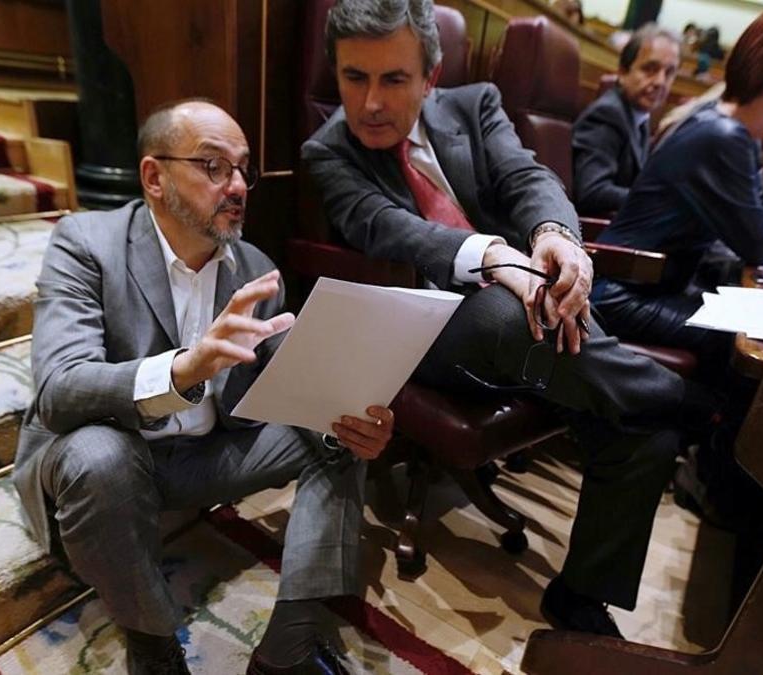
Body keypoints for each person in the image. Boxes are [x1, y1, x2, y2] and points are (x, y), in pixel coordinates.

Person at [302, 0, 713, 639]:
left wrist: (556, 238)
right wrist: (495, 255)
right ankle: (688, 402)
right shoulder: (328, 152)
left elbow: (530, 178)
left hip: (525, 310)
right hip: (423, 321)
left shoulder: (475, 105)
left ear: (430, 77)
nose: (371, 102)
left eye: (394, 79)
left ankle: (579, 599)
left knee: (639, 424)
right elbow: (387, 229)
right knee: (516, 309)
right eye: (355, 78)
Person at [13, 99, 395, 675]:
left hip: (206, 455)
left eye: (244, 170)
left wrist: (353, 416)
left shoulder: (255, 266)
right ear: (154, 177)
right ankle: (154, 644)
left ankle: (288, 644)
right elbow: (59, 391)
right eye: (214, 167)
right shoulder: (86, 242)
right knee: (99, 457)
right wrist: (182, 370)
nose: (237, 186)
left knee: (337, 430)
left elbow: (300, 385)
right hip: (120, 457)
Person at [590, 3, 763, 363]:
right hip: (619, 296)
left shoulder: (726, 129)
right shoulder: (723, 136)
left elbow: (752, 231)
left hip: (644, 287)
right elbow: (761, 246)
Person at [572, 24, 680, 216]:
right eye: (650, 69)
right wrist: (659, 201)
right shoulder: (607, 115)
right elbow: (592, 191)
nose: (660, 82)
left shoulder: (639, 117)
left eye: (669, 72)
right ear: (622, 72)